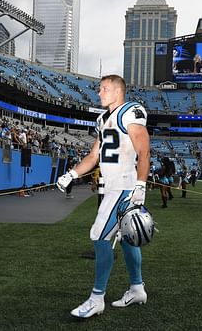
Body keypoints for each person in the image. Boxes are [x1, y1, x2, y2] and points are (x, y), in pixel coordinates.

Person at [56, 74, 150, 318]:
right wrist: (71, 174)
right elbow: (93, 155)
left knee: (99, 235)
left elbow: (144, 149)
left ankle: (97, 298)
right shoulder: (102, 119)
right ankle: (137, 288)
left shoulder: (130, 112)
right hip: (111, 186)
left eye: (104, 89)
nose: (99, 93)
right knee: (128, 239)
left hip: (124, 186)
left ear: (118, 91)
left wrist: (140, 186)